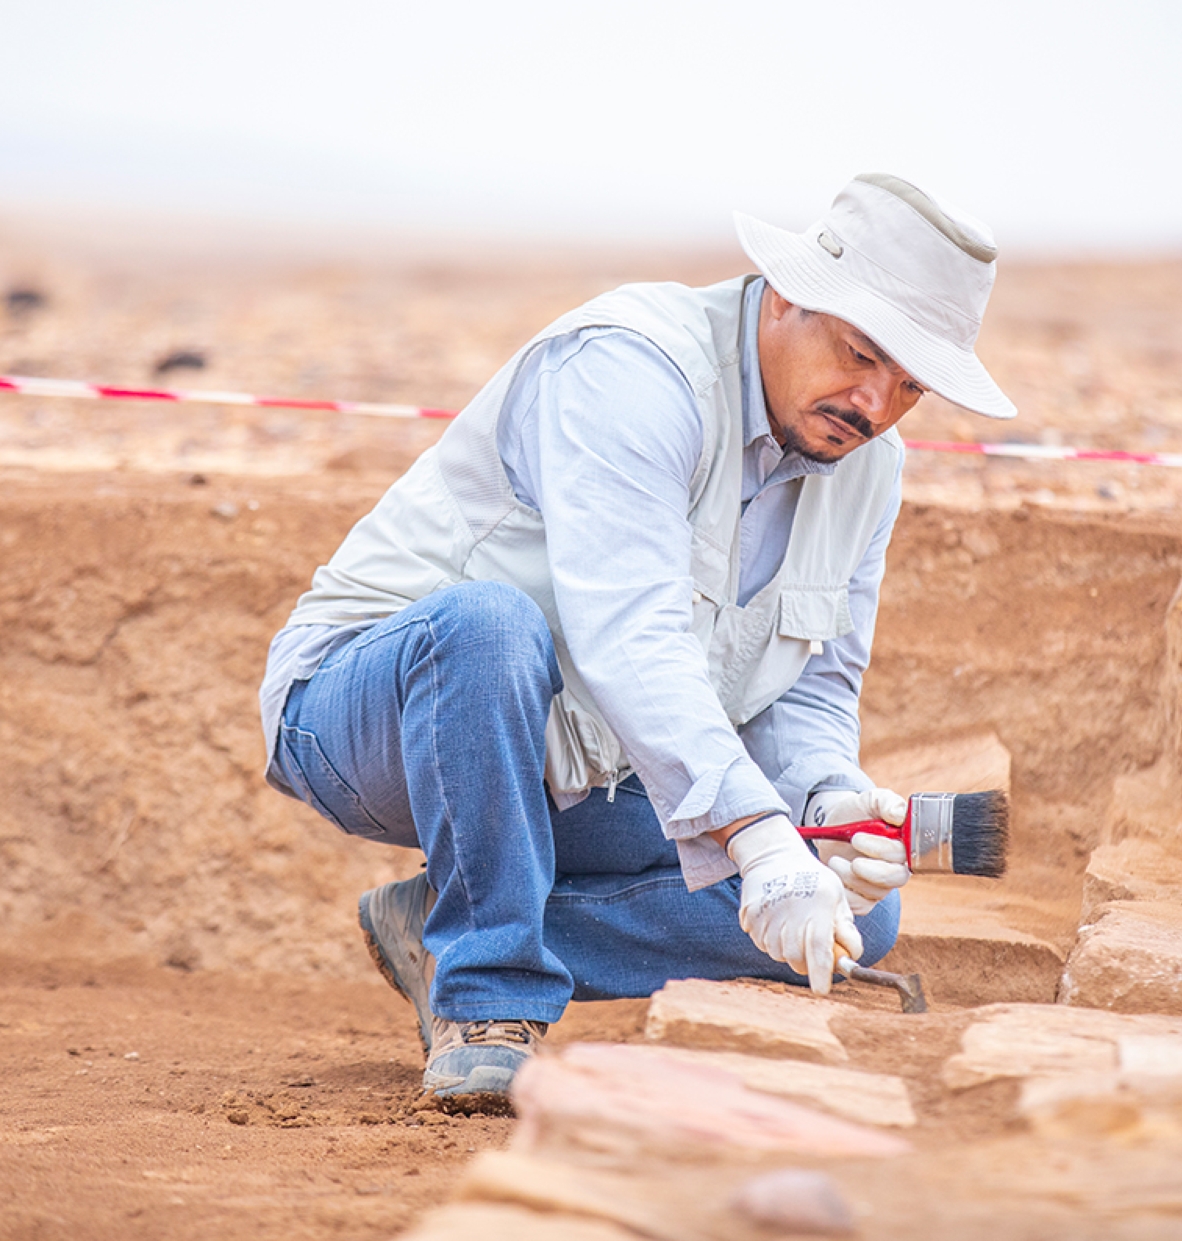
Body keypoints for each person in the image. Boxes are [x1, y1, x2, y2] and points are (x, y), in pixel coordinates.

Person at [257, 173, 1015, 1104]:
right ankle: (488, 994)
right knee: (489, 626)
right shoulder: (633, 369)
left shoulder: (867, 467)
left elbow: (812, 691)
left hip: (571, 761)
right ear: (787, 293)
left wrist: (827, 803)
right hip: (363, 711)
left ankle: (446, 919)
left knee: (866, 909)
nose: (874, 403)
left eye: (910, 385)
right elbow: (629, 636)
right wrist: (752, 834)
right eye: (861, 354)